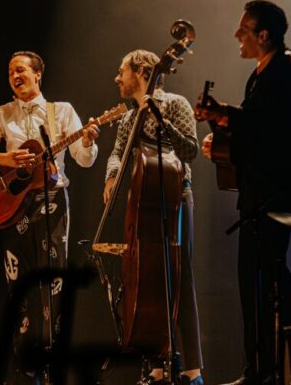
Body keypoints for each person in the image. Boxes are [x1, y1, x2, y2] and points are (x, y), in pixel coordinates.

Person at [195, 0, 291, 385]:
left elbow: (268, 129)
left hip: (273, 195)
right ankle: (259, 368)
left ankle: (281, 370)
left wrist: (224, 115)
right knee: (254, 282)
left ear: (263, 35)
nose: (237, 35)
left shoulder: (287, 72)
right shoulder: (261, 74)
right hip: (256, 194)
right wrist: (221, 134)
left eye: (243, 29)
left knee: (268, 280)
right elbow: (252, 130)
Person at [0, 51, 99, 384]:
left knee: (53, 281)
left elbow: (83, 159)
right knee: (18, 285)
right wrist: (5, 158)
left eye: (21, 70)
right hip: (14, 206)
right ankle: (25, 369)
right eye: (10, 72)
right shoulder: (2, 113)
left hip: (52, 200)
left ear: (38, 74)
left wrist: (87, 141)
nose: (15, 76)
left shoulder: (62, 111)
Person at [103, 50, 204, 385]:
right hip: (143, 203)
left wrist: (162, 120)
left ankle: (192, 370)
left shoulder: (175, 104)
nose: (117, 78)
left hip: (176, 198)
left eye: (122, 71)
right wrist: (112, 177)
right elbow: (117, 153)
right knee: (149, 284)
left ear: (142, 71)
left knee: (180, 278)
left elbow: (189, 150)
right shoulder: (129, 118)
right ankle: (157, 366)